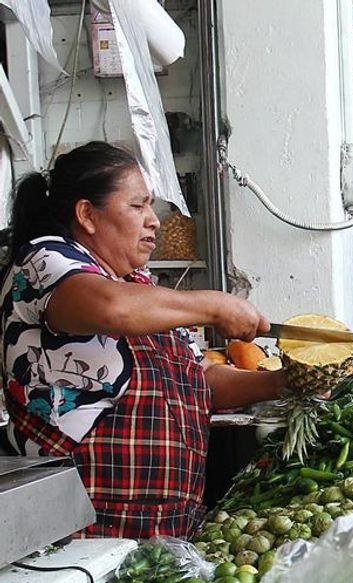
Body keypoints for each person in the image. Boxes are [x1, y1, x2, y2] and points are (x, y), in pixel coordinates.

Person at [0, 142, 286, 538]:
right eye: (138, 206)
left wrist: (283, 382)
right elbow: (111, 309)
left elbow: (200, 379)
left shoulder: (140, 288)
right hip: (82, 532)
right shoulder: (44, 261)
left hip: (165, 531)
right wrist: (215, 306)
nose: (154, 220)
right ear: (87, 214)